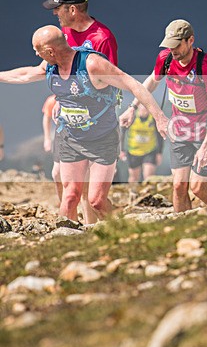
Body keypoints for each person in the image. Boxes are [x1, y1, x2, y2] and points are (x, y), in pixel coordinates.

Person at [0, 26, 168, 224]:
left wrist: (159, 117)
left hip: (102, 139)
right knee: (70, 196)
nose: (36, 54)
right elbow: (26, 74)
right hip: (70, 137)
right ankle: (66, 242)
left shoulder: (92, 64)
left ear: (50, 51)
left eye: (38, 50)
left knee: (96, 200)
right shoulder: (49, 65)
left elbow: (133, 85)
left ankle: (119, 228)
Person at [120, 19, 207, 213]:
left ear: (190, 40)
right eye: (169, 45)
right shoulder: (165, 58)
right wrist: (132, 107)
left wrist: (206, 147)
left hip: (204, 131)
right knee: (178, 187)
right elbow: (151, 82)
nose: (173, 50)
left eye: (177, 45)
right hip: (179, 130)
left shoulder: (205, 65)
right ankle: (182, 229)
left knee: (198, 188)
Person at [43, 0, 120, 220]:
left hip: (95, 121)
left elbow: (111, 81)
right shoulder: (63, 34)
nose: (55, 14)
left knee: (90, 191)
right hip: (68, 119)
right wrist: (59, 99)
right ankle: (70, 219)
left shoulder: (102, 38)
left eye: (59, 9)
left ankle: (96, 226)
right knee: (59, 174)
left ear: (73, 10)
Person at [120, 103, 163, 182]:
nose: (144, 111)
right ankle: (132, 193)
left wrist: (159, 152)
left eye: (146, 108)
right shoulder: (132, 117)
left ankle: (148, 194)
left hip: (149, 151)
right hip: (133, 151)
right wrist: (121, 149)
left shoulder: (153, 119)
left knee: (149, 176)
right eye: (142, 108)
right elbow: (122, 133)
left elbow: (159, 136)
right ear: (138, 107)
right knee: (134, 177)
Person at [42, 94, 63, 201]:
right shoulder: (52, 100)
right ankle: (63, 205)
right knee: (56, 174)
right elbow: (46, 117)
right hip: (60, 139)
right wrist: (47, 139)